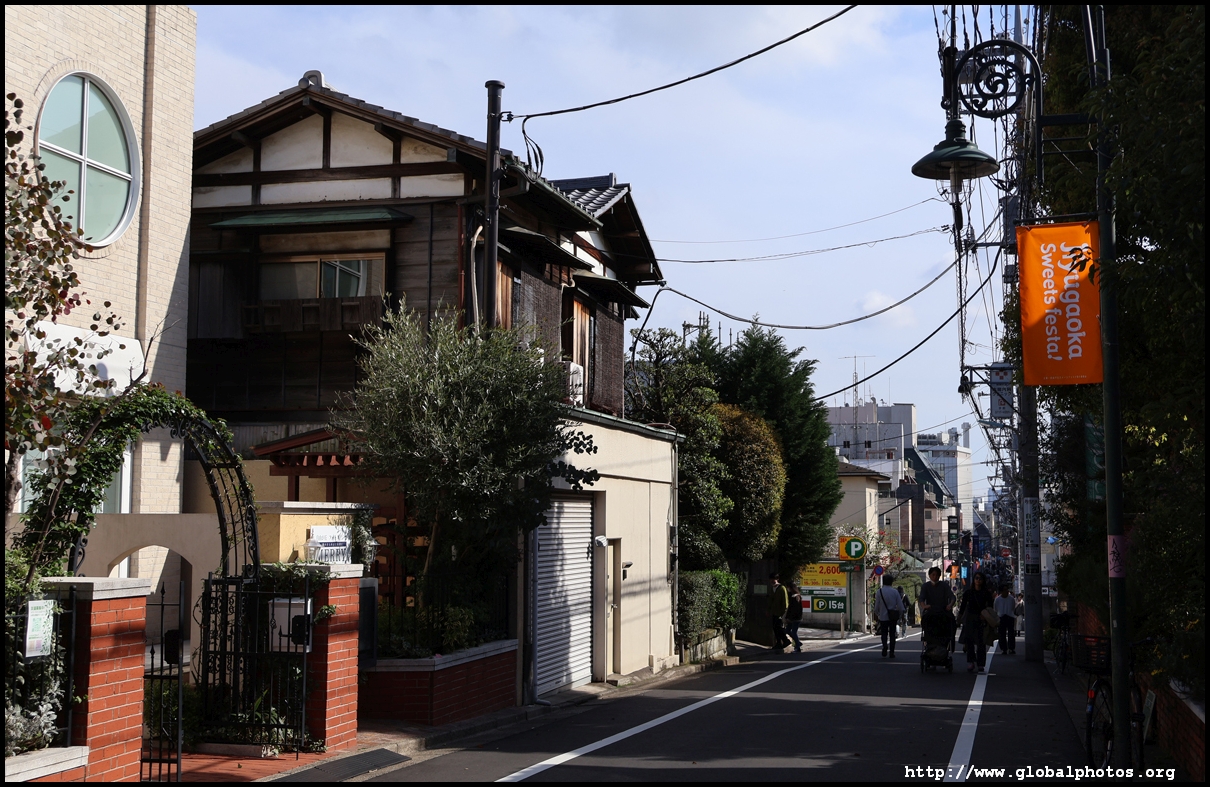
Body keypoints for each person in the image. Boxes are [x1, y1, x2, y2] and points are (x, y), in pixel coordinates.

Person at [957, 572, 995, 672]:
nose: (978, 580)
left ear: (983, 581)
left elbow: (990, 606)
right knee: (969, 642)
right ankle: (971, 662)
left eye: (980, 578)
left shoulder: (986, 593)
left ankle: (981, 664)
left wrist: (985, 615)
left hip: (982, 619)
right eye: (976, 578)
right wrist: (959, 618)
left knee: (981, 642)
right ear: (973, 580)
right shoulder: (968, 593)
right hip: (970, 618)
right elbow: (963, 606)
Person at [874, 575, 906, 658]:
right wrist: (901, 614)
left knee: (884, 633)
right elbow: (900, 606)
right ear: (892, 582)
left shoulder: (879, 591)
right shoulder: (895, 592)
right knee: (892, 634)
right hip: (893, 616)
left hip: (883, 616)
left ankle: (885, 645)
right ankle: (892, 652)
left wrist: (878, 613)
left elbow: (876, 605)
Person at [767, 573, 791, 651]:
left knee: (779, 627)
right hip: (774, 612)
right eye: (771, 579)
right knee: (775, 628)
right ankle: (779, 643)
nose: (772, 581)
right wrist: (769, 610)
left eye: (774, 579)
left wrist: (783, 613)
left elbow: (785, 602)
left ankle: (785, 640)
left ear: (777, 579)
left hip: (780, 613)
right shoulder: (772, 589)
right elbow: (770, 601)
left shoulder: (782, 588)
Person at [994, 585, 1016, 655]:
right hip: (1001, 617)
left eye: (1006, 590)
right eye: (1004, 590)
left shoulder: (1011, 598)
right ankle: (1004, 649)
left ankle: (1011, 648)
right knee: (1001, 634)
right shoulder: (997, 599)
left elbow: (1013, 607)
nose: (1006, 591)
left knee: (1011, 633)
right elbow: (995, 609)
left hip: (1010, 616)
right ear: (1001, 591)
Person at [785, 583, 804, 653]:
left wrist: (790, 618)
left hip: (795, 618)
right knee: (787, 630)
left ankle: (797, 647)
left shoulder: (796, 597)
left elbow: (794, 609)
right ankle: (798, 643)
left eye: (788, 588)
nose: (788, 589)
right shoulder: (793, 596)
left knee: (793, 632)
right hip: (793, 618)